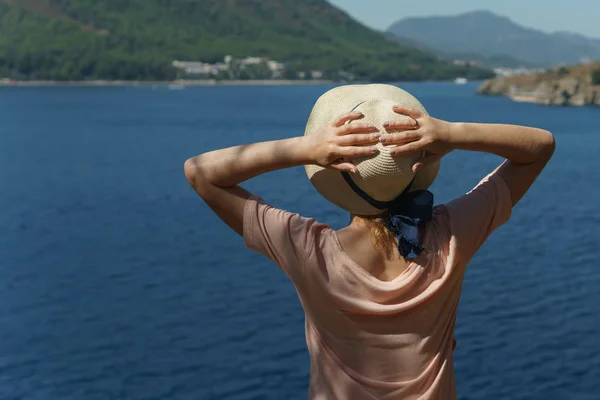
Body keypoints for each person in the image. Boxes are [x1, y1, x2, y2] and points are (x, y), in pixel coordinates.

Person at [184, 85, 555, 399]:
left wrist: (305, 148)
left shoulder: (307, 250)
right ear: (422, 162)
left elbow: (200, 172)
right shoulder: (452, 234)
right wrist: (452, 133)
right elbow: (540, 147)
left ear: (330, 169)